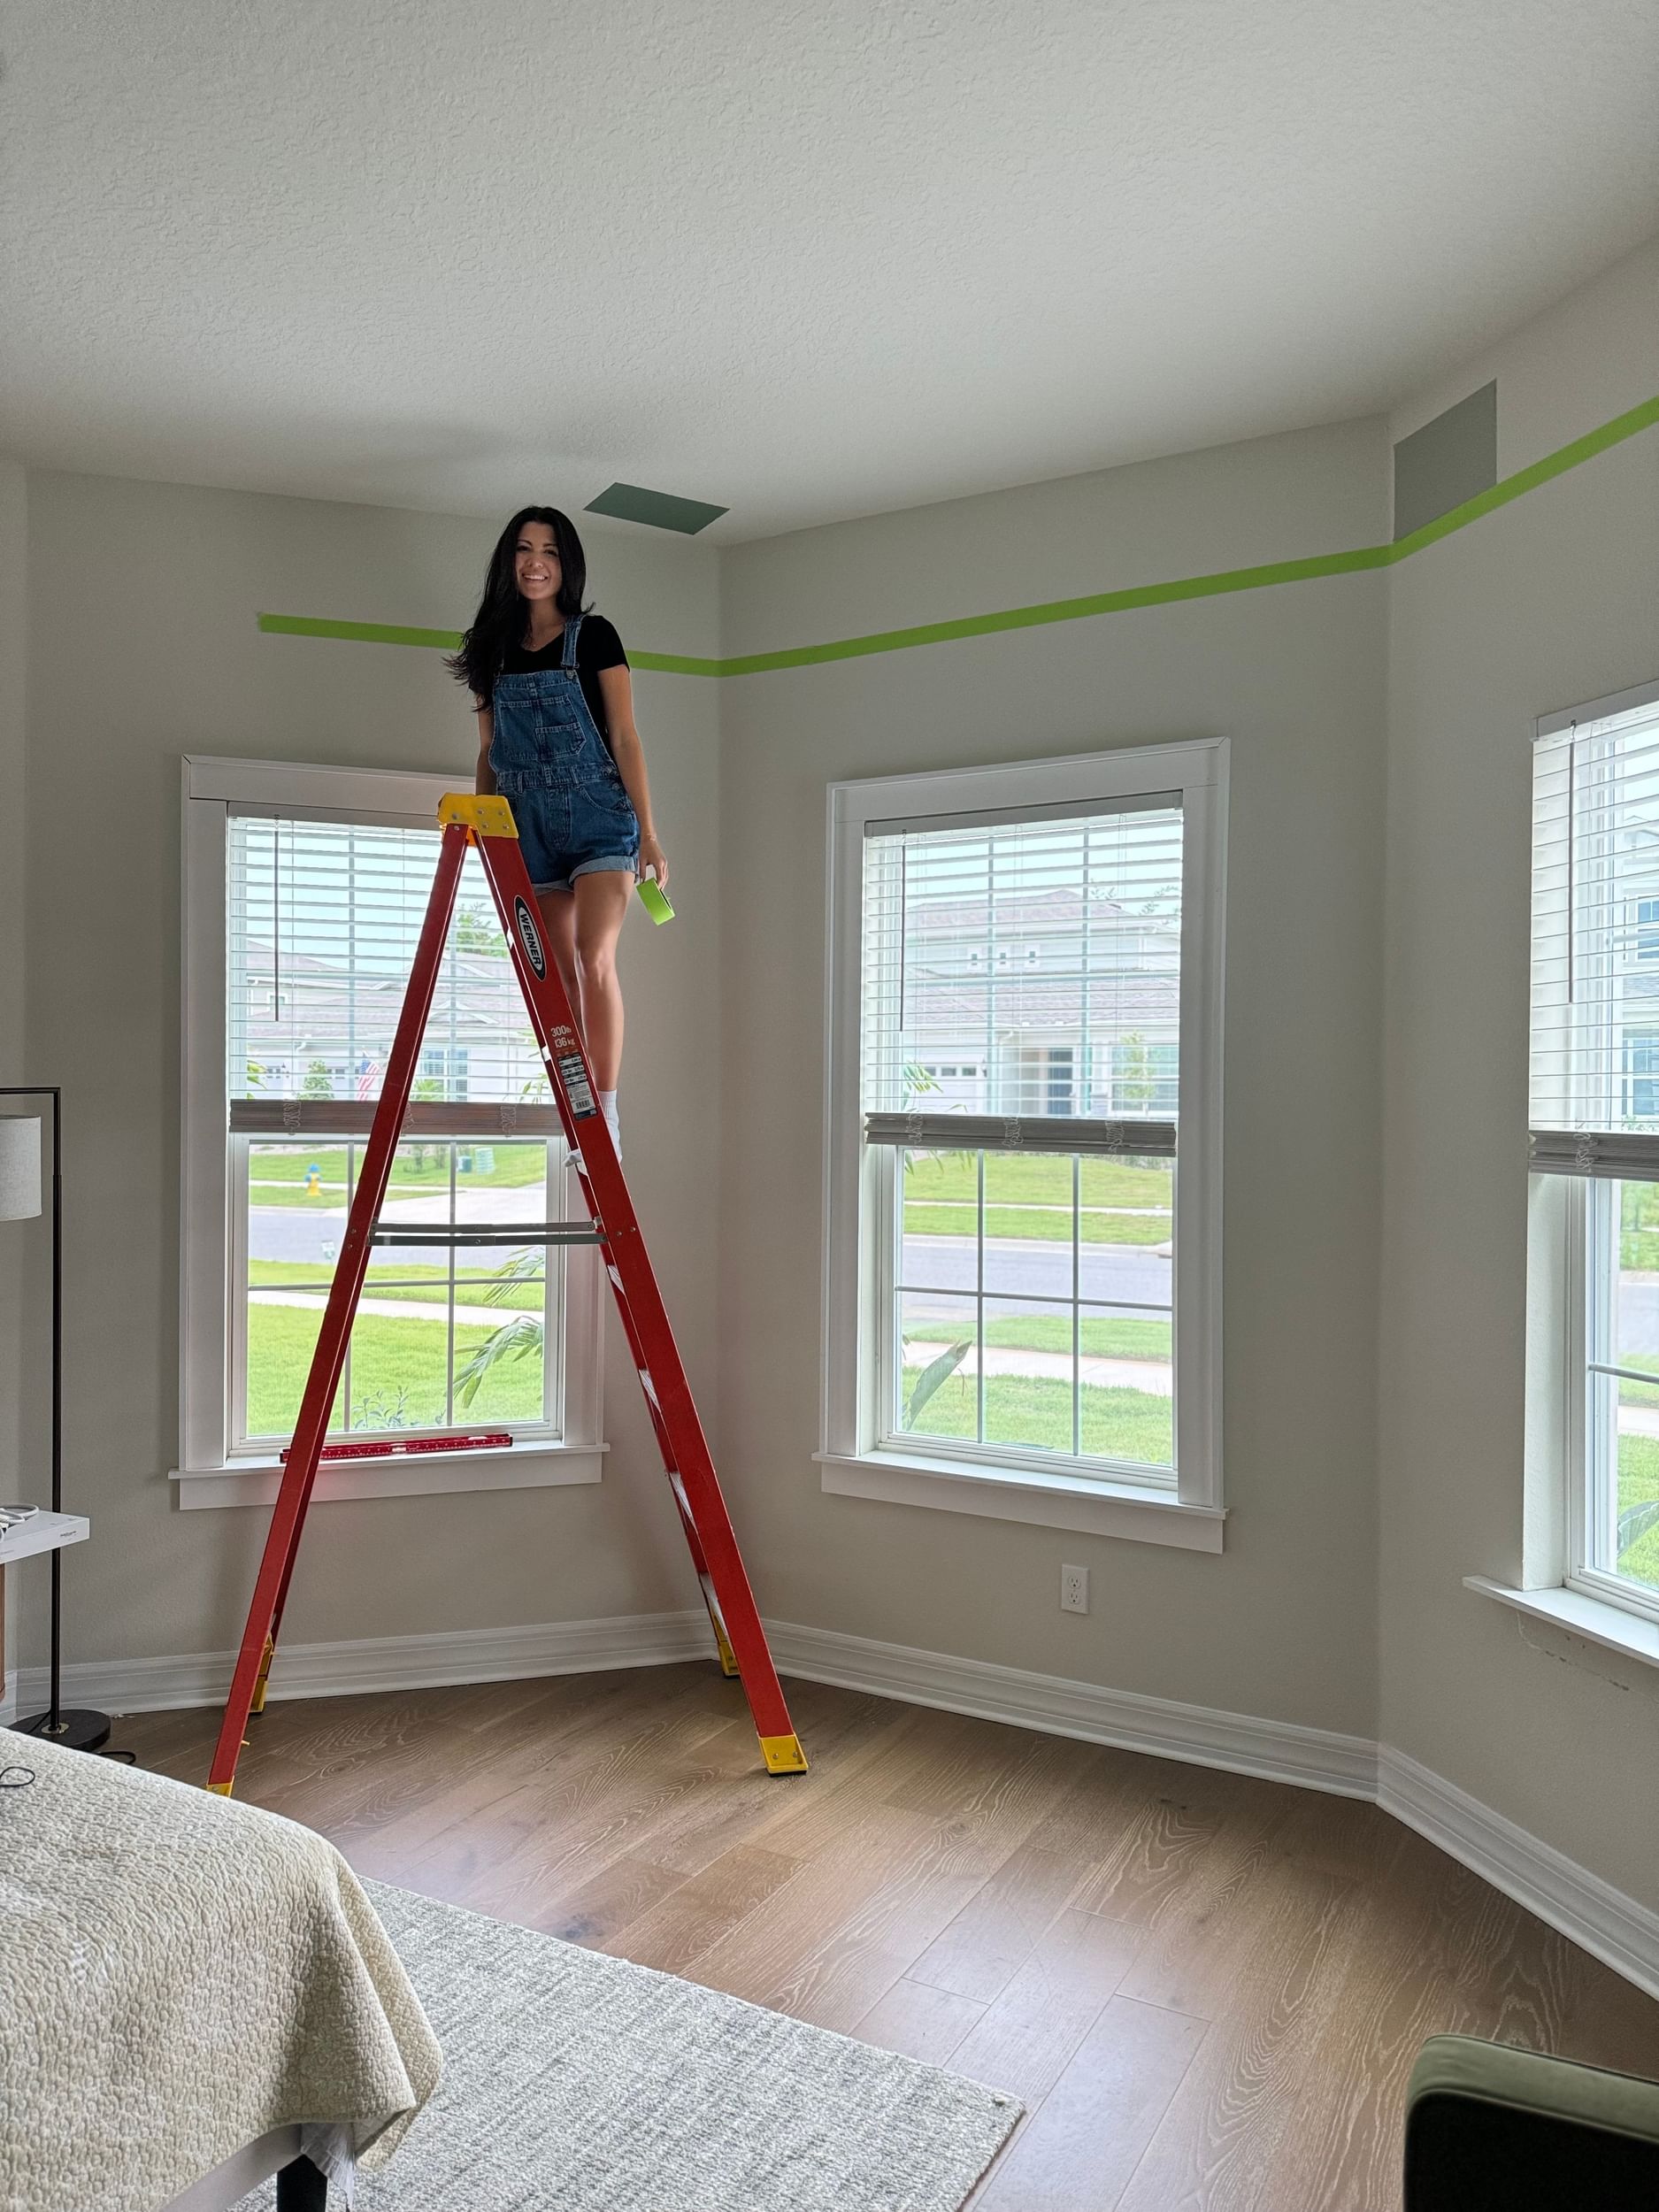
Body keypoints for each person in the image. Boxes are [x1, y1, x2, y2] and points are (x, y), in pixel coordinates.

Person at [448, 507, 667, 1161]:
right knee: (558, 976)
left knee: (595, 956)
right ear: (509, 561)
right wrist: (486, 830)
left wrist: (649, 834)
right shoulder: (489, 648)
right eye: (523, 549)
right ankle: (578, 1110)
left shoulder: (594, 636)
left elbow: (625, 737)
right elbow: (488, 750)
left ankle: (607, 1111)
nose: (535, 562)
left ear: (566, 564)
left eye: (548, 550)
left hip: (599, 815)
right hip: (524, 824)